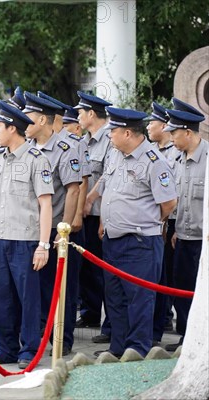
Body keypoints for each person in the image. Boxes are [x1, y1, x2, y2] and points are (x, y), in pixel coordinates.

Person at [87, 107, 177, 358]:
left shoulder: (153, 162)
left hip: (140, 242)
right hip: (113, 240)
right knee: (114, 297)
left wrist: (145, 221)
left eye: (113, 131)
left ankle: (137, 348)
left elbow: (169, 203)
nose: (109, 136)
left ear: (127, 132)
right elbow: (106, 183)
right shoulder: (115, 154)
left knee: (139, 298)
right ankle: (118, 347)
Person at [0, 101, 53, 369]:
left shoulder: (37, 159)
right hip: (0, 239)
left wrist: (43, 245)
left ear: (13, 128)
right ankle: (5, 348)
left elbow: (45, 203)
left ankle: (30, 349)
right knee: (0, 296)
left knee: (27, 298)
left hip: (25, 240)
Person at [23, 92, 82, 356]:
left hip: (56, 229)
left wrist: (64, 229)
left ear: (43, 120)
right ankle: (36, 336)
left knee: (60, 288)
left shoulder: (65, 150)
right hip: (30, 229)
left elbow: (73, 190)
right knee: (35, 288)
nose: (24, 121)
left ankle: (62, 339)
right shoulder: (27, 147)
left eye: (29, 117)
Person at [163, 102, 206, 352]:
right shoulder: (177, 160)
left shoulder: (208, 158)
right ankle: (187, 336)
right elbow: (180, 199)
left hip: (204, 239)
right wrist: (177, 228)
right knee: (181, 287)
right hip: (183, 237)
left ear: (187, 132)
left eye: (174, 133)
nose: (171, 137)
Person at [76, 91, 113, 343]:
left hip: (102, 214)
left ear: (91, 114)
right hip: (85, 214)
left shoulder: (111, 138)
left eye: (80, 112)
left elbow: (107, 175)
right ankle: (90, 313)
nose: (77, 116)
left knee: (105, 271)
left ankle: (110, 324)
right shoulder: (85, 140)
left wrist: (89, 199)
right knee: (87, 268)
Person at [146, 101, 179, 344]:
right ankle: (157, 325)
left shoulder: (176, 153)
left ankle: (166, 318)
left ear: (164, 126)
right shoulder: (151, 152)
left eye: (152, 122)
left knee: (172, 277)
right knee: (158, 276)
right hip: (160, 224)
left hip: (175, 222)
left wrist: (163, 220)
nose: (148, 126)